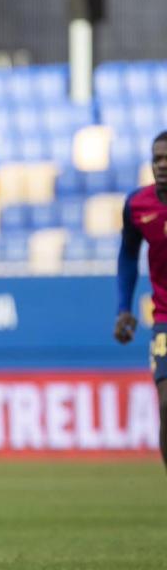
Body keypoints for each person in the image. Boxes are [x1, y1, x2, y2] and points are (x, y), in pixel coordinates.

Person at [115, 130, 167, 472]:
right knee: (166, 404)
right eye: (156, 158)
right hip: (165, 318)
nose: (161, 165)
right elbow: (127, 258)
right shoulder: (138, 205)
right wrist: (123, 308)